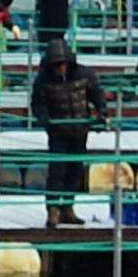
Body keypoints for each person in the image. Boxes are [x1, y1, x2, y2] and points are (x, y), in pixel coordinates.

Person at [27, 46, 106, 227]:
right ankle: (53, 210)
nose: (60, 67)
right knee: (57, 171)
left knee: (74, 171)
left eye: (63, 63)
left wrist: (101, 113)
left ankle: (68, 207)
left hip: (80, 130)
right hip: (58, 132)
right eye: (57, 64)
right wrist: (45, 120)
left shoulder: (84, 75)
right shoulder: (43, 81)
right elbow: (38, 105)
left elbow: (97, 95)